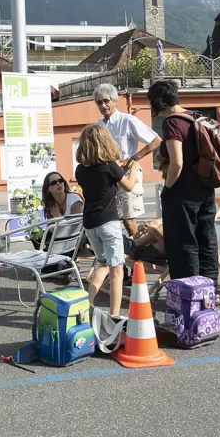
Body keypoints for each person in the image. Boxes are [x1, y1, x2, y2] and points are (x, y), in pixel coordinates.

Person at [147, 79, 219, 284]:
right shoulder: (196, 117)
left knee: (183, 241)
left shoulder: (172, 122)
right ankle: (209, 289)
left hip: (183, 191)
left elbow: (177, 163)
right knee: (207, 239)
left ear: (159, 101)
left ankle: (189, 290)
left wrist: (168, 188)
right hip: (205, 187)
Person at [74, 124, 140, 317]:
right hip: (109, 223)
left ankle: (87, 304)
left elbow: (100, 180)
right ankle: (114, 316)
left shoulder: (80, 170)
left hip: (90, 225)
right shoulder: (110, 167)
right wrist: (133, 169)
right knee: (117, 272)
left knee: (102, 265)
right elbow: (128, 186)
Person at [92, 83, 161, 238]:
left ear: (115, 101)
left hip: (128, 173)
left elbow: (156, 140)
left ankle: (138, 256)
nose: (103, 105)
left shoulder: (127, 120)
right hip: (108, 176)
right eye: (99, 102)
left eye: (106, 101)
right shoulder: (98, 125)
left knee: (129, 220)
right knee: (112, 220)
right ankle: (124, 255)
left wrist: (134, 158)